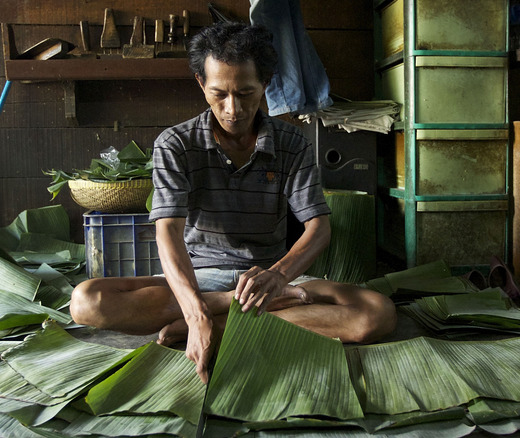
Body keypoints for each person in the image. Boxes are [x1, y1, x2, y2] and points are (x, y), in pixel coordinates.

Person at [70, 22, 396, 383]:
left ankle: (221, 326)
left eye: (245, 93)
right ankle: (220, 312)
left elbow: (318, 228)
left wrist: (277, 276)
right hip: (199, 280)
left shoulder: (292, 143)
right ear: (200, 84)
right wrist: (196, 310)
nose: (232, 109)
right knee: (87, 301)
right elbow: (168, 234)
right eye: (218, 94)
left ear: (266, 85)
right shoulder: (175, 144)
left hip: (271, 279)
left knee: (375, 314)